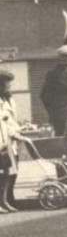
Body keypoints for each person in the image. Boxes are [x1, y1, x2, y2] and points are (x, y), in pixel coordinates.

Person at [0, 70, 27, 213]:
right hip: (2, 140)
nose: (9, 87)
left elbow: (11, 121)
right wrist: (15, 133)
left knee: (9, 173)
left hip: (9, 142)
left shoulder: (8, 100)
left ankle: (5, 201)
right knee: (2, 172)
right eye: (7, 85)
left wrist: (20, 129)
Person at [41, 45, 67, 136]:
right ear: (59, 59)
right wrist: (53, 111)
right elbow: (44, 95)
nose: (65, 62)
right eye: (62, 59)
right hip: (59, 115)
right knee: (61, 137)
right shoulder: (52, 75)